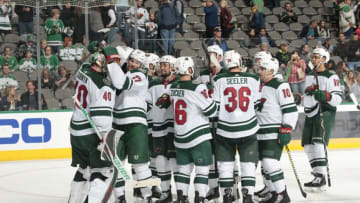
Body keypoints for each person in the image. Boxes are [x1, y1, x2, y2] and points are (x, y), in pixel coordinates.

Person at [68, 50, 121, 203]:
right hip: (91, 133)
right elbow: (101, 115)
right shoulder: (103, 84)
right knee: (102, 171)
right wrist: (105, 137)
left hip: (76, 132)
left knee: (83, 169)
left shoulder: (82, 71)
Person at [165, 56, 216, 203]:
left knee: (184, 170)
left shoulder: (173, 87)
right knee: (202, 169)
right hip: (198, 136)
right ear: (189, 69)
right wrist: (209, 94)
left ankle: (182, 197)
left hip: (180, 136)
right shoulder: (197, 88)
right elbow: (211, 111)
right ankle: (200, 198)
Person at [212, 49, 260, 202]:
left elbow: (215, 108)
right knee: (248, 165)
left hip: (225, 129)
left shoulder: (218, 79)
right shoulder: (253, 78)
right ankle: (248, 196)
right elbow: (258, 105)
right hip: (248, 128)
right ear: (239, 62)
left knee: (225, 166)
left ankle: (227, 195)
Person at [111, 49, 153, 202]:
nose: (132, 63)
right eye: (131, 60)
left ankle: (147, 196)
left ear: (141, 65)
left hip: (135, 124)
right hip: (118, 123)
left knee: (140, 165)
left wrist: (112, 61)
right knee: (117, 165)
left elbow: (120, 83)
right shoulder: (124, 73)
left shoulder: (140, 75)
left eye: (136, 61)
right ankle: (120, 197)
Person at [255, 57, 298, 203]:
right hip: (260, 132)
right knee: (265, 165)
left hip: (273, 131)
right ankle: (274, 193)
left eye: (262, 69)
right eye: (259, 68)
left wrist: (286, 129)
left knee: (269, 162)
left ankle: (282, 195)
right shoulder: (258, 85)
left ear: (271, 71)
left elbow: (291, 109)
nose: (258, 71)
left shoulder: (280, 85)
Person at [299, 48, 342, 191]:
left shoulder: (332, 77)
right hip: (311, 113)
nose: (314, 59)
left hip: (325, 113)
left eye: (317, 57)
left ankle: (321, 175)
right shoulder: (310, 76)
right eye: (313, 57)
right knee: (307, 145)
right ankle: (318, 175)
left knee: (318, 143)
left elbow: (338, 98)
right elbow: (306, 96)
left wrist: (327, 96)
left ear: (324, 59)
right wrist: (300, 98)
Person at [146, 55, 178, 203]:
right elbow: (147, 104)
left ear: (173, 67)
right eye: (161, 65)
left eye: (165, 65)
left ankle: (181, 192)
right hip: (158, 129)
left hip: (175, 129)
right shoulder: (153, 84)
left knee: (175, 162)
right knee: (160, 161)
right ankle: (166, 193)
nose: (162, 67)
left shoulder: (179, 83)